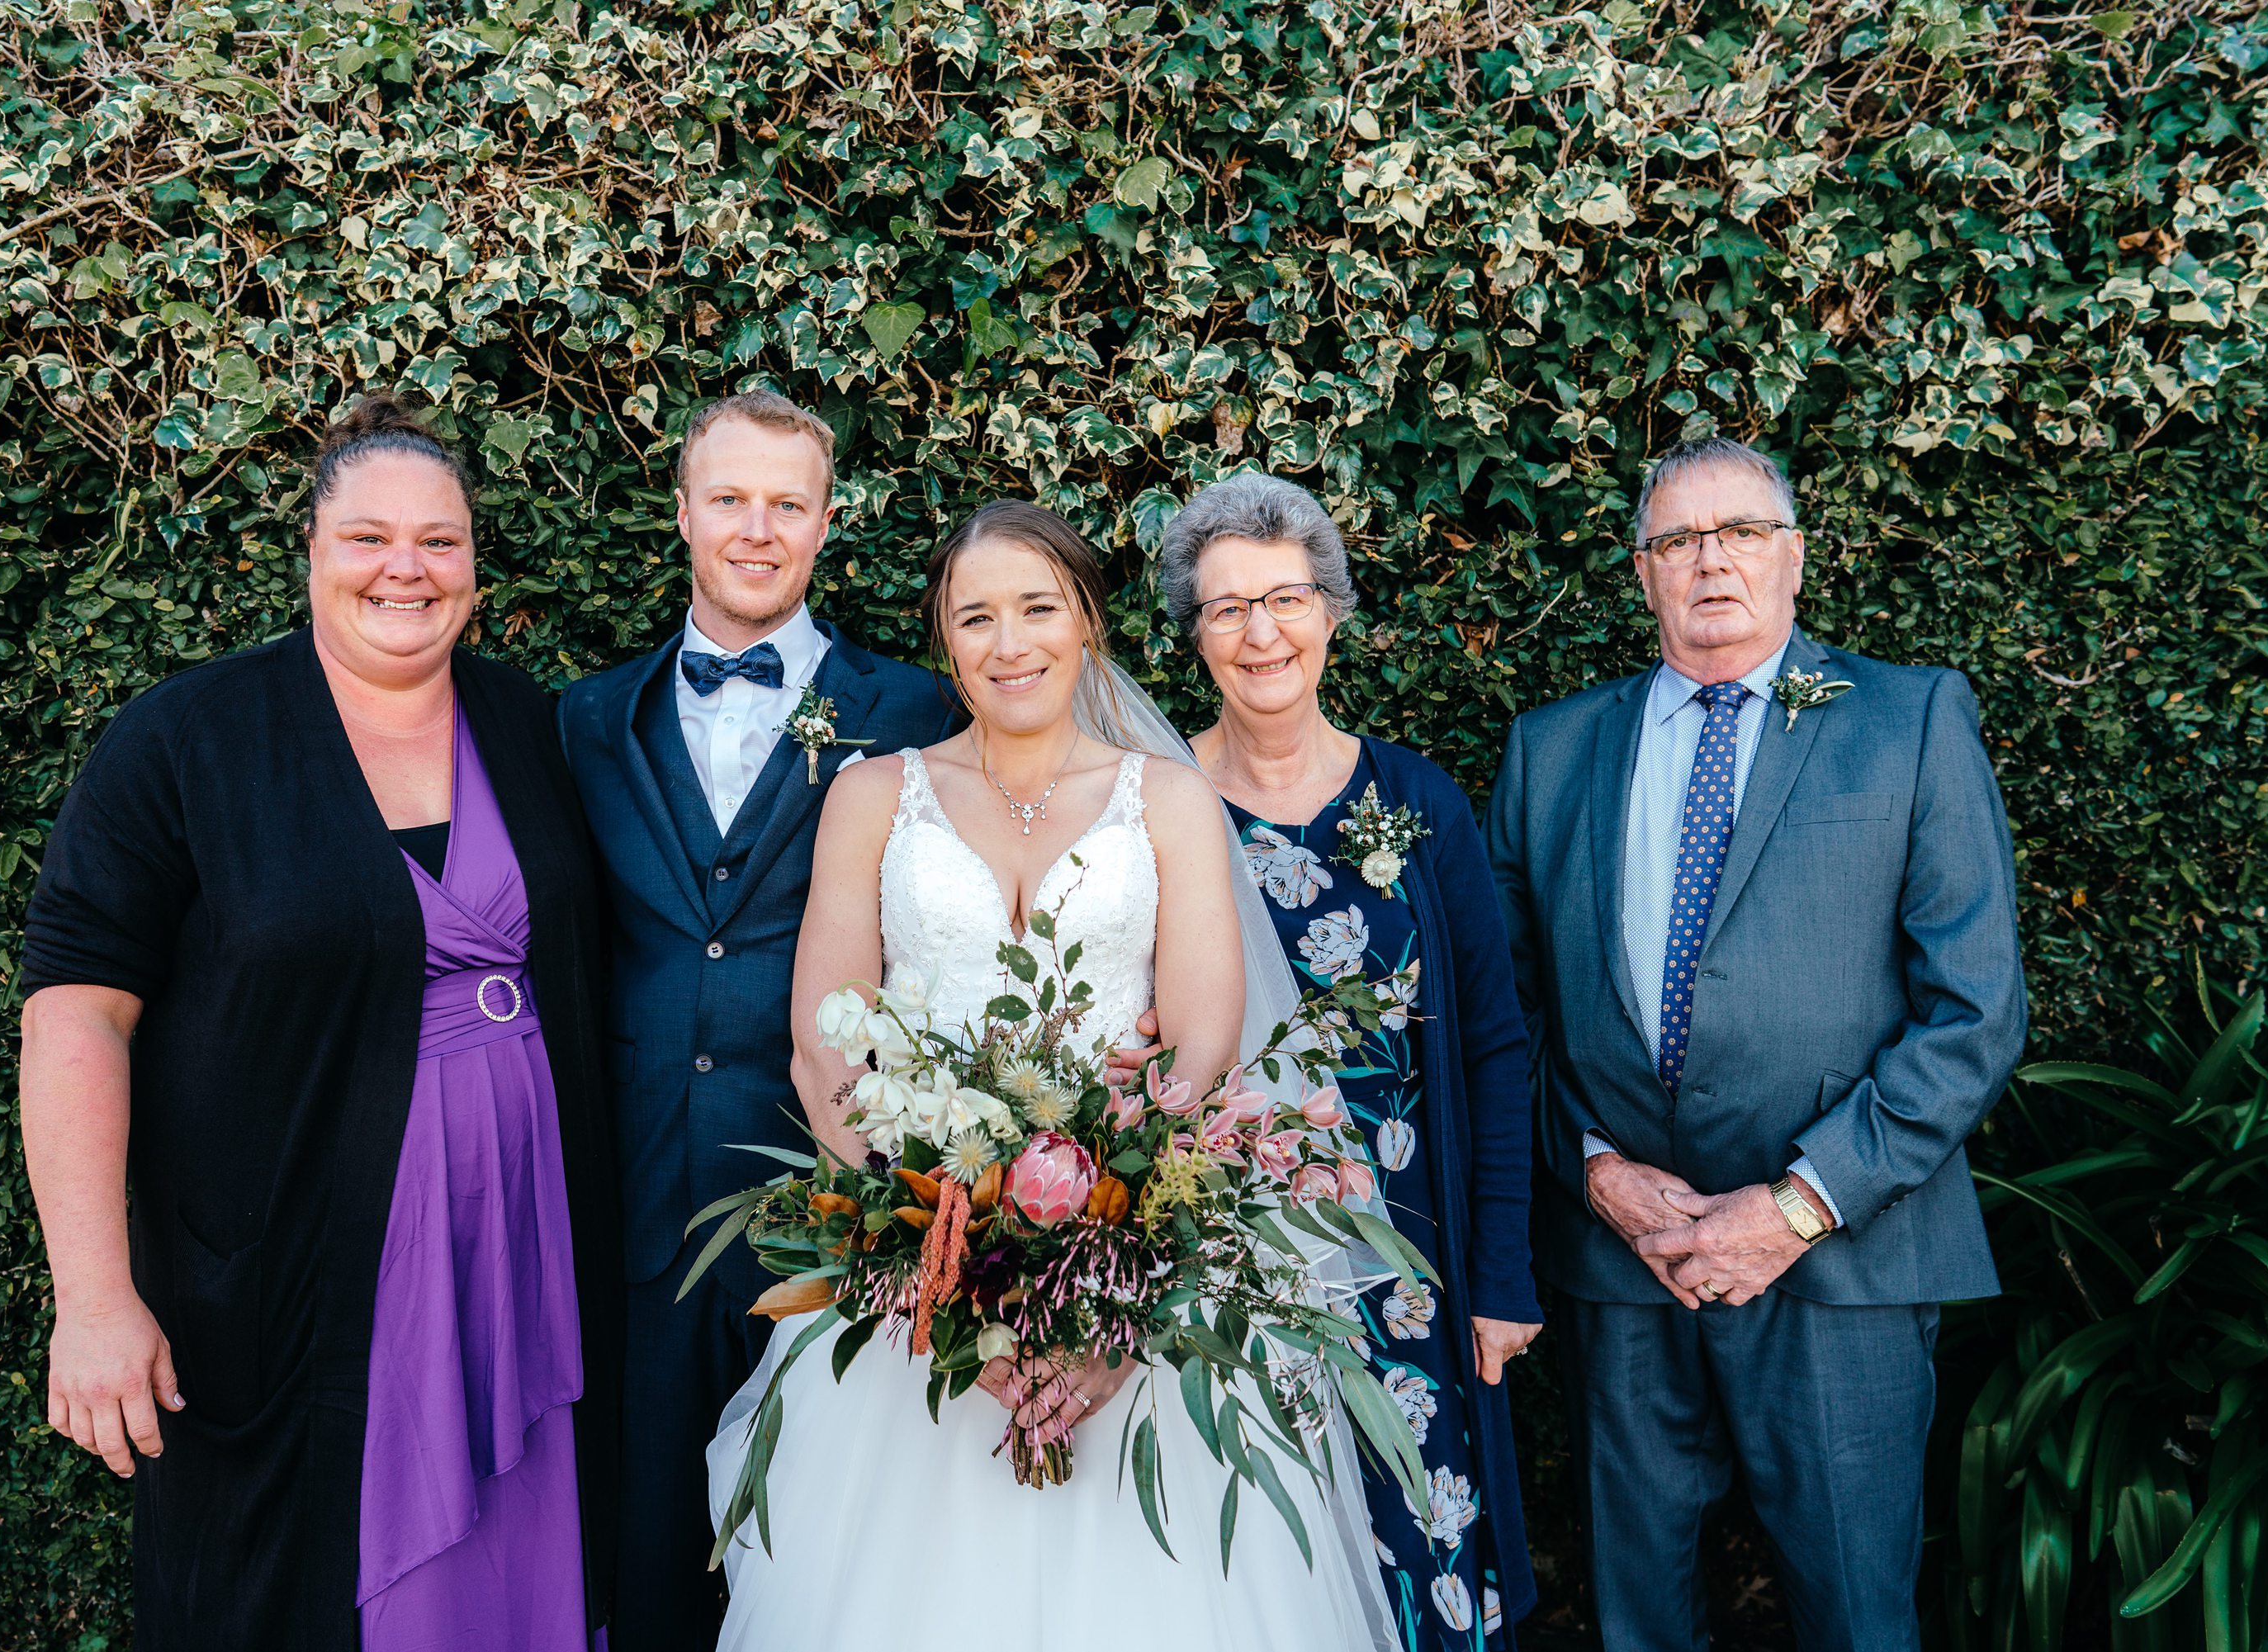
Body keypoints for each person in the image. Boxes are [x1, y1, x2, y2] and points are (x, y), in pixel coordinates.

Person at [704, 499, 1395, 1650]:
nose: (1008, 641)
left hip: (1136, 1286)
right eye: (976, 615)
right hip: (919, 1290)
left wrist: (1117, 1299)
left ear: (1086, 622)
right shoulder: (873, 797)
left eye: (1038, 607)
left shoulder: (1165, 798)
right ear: (944, 635)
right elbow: (828, 1051)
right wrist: (926, 1285)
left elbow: (1202, 1049)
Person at [18, 395, 621, 1650]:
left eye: (441, 540)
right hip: (289, 1274)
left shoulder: (527, 721)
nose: (407, 567)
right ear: (309, 552)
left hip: (527, 1246)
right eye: (368, 538)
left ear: (473, 562)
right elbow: (78, 1008)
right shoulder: (189, 738)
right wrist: (92, 1295)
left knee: (532, 1550)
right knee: (295, 1576)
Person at [1485, 436, 2027, 1650]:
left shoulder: (1910, 717)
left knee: (1857, 1614)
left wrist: (1792, 1208)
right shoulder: (1551, 751)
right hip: (1624, 1262)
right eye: (1679, 539)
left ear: (1794, 557)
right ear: (1643, 574)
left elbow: (1975, 1010)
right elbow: (1503, 1017)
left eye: (1739, 531)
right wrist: (1595, 1173)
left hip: (1844, 1263)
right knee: (1637, 1615)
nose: (1710, 559)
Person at [554, 390, 960, 1646]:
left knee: (826, 1536)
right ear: (680, 513)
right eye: (728, 498)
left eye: (787, 503)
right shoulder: (584, 720)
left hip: (840, 1191)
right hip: (638, 1190)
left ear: (827, 524)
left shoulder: (916, 713)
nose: (755, 527)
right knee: (652, 1531)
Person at [1125, 471, 1540, 1647]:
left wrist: (1501, 1274)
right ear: (1193, 634)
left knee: (1421, 1547)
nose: (1263, 633)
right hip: (1219, 1265)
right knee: (1263, 1561)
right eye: (1227, 608)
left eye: (1287, 598)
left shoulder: (1418, 800)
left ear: (1332, 611)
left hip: (1412, 1260)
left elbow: (1497, 1051)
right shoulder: (1155, 808)